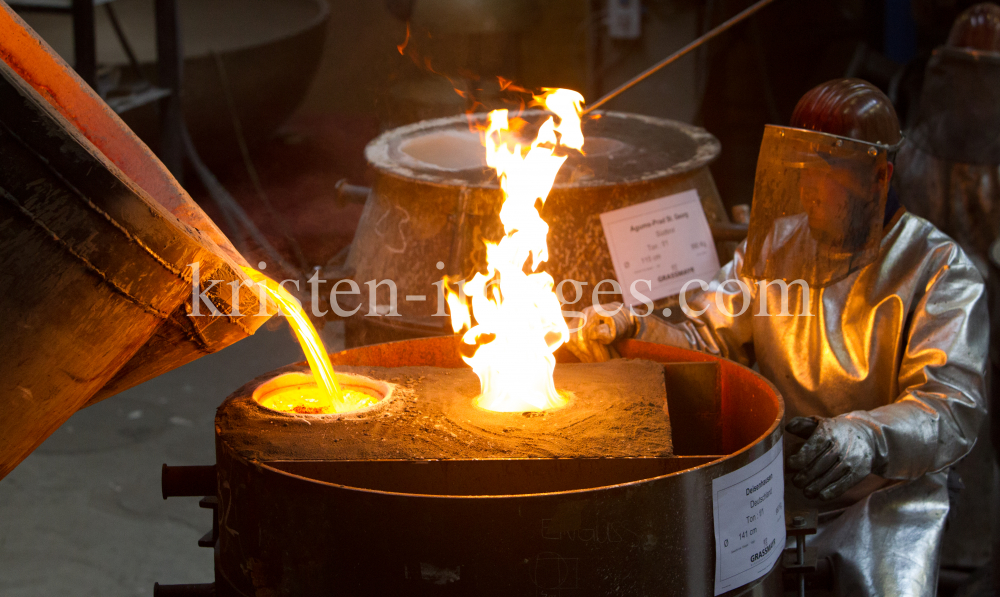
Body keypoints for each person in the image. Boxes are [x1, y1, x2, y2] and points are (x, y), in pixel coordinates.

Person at [568, 79, 988, 597]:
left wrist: (867, 437)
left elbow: (952, 405)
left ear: (878, 177)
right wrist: (637, 330)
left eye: (828, 172)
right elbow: (707, 338)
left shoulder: (938, 268)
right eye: (802, 169)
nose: (809, 187)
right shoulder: (775, 246)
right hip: (774, 487)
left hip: (884, 497)